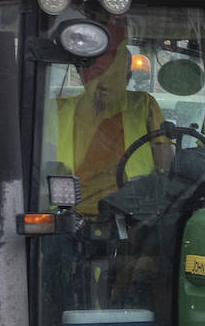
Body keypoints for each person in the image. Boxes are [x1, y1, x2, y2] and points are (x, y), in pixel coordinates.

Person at [54, 24, 174, 215]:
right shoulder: (56, 110)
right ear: (82, 76)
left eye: (114, 75)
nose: (104, 84)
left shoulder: (143, 106)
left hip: (132, 212)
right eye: (97, 74)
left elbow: (166, 163)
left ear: (127, 77)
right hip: (65, 213)